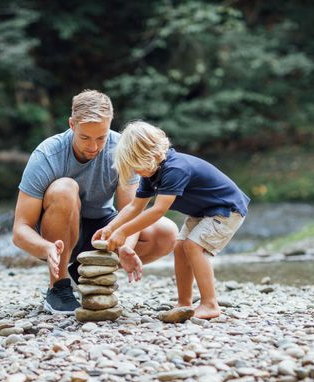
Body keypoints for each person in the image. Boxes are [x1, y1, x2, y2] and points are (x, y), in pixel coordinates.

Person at [12, 90, 178, 315]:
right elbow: (20, 229)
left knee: (166, 233)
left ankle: (84, 272)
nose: (93, 146)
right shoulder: (47, 155)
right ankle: (58, 286)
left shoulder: (121, 150)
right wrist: (46, 247)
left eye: (101, 137)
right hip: (56, 237)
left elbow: (132, 211)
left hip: (101, 229)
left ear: (110, 125)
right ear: (72, 125)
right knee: (65, 188)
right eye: (85, 138)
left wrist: (126, 247)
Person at [95, 120, 250, 320]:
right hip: (203, 212)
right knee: (180, 247)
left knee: (194, 246)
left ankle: (210, 304)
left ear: (149, 156)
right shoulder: (150, 174)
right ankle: (184, 303)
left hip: (226, 209)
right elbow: (135, 207)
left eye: (135, 165)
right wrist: (111, 227)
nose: (134, 171)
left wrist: (123, 232)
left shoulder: (175, 169)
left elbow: (158, 211)